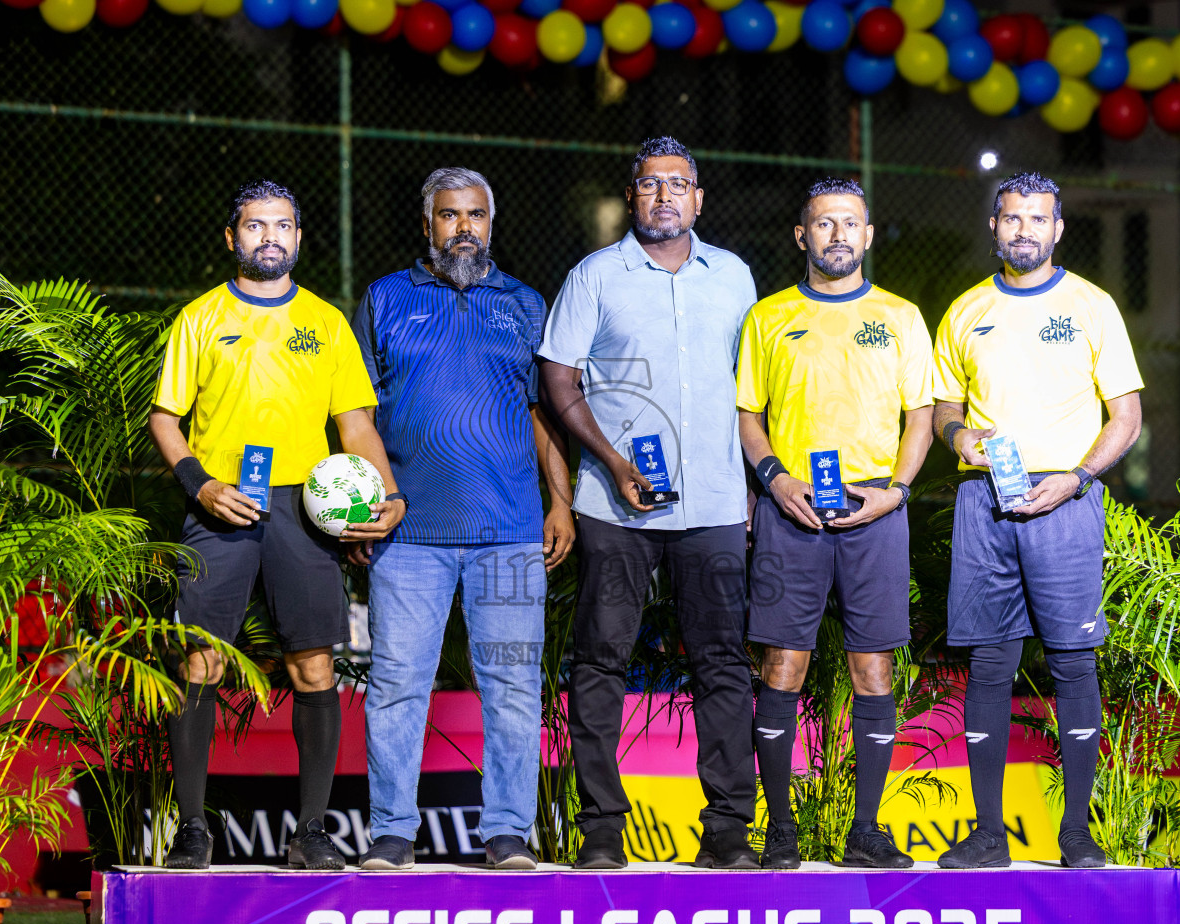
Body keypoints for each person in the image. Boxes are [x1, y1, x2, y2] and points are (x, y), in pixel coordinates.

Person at [150, 179, 404, 871]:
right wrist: (198, 485)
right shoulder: (200, 318)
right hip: (222, 505)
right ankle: (193, 829)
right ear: (231, 238)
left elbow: (355, 424)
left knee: (312, 664)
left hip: (307, 510)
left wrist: (388, 493)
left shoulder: (325, 322)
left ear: (297, 237)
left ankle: (312, 832)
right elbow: (165, 420)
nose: (271, 236)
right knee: (200, 662)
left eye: (283, 225)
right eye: (256, 225)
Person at [539, 137, 759, 870]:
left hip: (718, 504)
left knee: (723, 664)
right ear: (632, 197)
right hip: (615, 505)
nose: (664, 195)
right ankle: (601, 826)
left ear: (699, 198)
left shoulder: (734, 277)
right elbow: (558, 381)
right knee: (601, 661)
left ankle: (728, 827)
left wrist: (756, 486)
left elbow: (754, 393)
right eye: (649, 184)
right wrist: (610, 461)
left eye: (678, 184)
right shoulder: (594, 276)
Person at [353, 167, 574, 872]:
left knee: (511, 685)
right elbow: (354, 416)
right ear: (428, 224)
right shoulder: (387, 299)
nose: (464, 228)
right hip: (408, 539)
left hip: (509, 536)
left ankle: (507, 832)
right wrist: (363, 513)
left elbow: (544, 414)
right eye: (449, 216)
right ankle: (391, 832)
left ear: (491, 221)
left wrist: (560, 500)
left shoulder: (525, 304)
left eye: (476, 215)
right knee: (395, 684)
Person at [931, 172, 1143, 870]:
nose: (1024, 229)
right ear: (994, 225)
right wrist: (960, 440)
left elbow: (1127, 418)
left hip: (1068, 501)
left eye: (1038, 219)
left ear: (1058, 229)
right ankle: (988, 836)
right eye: (1012, 217)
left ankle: (1075, 836)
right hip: (984, 502)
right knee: (991, 663)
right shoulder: (965, 309)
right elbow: (944, 411)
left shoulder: (1092, 305)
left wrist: (1077, 478)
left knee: (1072, 661)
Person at [737, 178, 933, 870]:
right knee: (782, 665)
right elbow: (749, 418)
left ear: (868, 235)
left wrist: (898, 492)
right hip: (793, 513)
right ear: (802, 236)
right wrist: (775, 481)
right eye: (823, 224)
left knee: (872, 668)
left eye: (850, 224)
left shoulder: (903, 317)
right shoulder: (768, 317)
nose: (838, 236)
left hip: (875, 509)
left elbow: (923, 418)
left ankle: (866, 832)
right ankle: (782, 830)